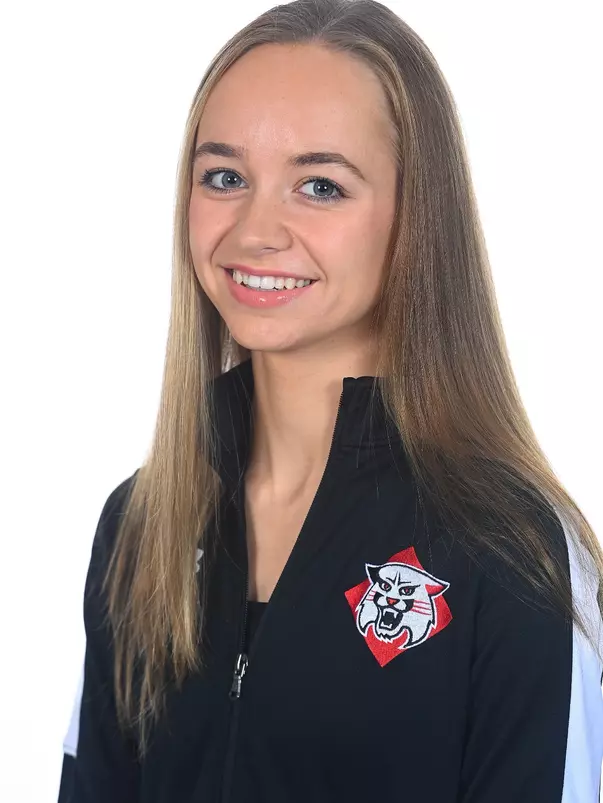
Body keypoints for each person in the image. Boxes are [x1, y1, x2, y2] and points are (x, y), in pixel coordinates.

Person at [58, 1, 603, 801]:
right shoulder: (143, 524)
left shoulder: (510, 550)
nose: (254, 230)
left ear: (415, 215)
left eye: (319, 185)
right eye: (225, 177)